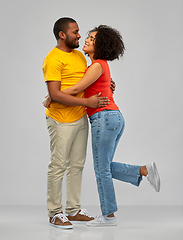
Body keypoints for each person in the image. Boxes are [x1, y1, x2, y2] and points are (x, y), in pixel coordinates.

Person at [60, 25, 161, 227]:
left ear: (102, 44)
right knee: (103, 167)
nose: (87, 40)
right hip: (111, 118)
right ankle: (143, 170)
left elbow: (78, 88)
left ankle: (108, 216)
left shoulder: (97, 65)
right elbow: (94, 87)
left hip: (103, 118)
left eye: (92, 38)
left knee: (101, 169)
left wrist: (53, 96)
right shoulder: (98, 66)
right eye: (87, 37)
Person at [42, 17, 110, 229]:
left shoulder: (80, 56)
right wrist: (86, 101)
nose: (80, 35)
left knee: (77, 165)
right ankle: (55, 213)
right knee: (58, 166)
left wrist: (108, 83)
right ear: (62, 35)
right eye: (76, 32)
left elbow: (86, 81)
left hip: (80, 117)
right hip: (61, 119)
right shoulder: (52, 59)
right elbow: (54, 94)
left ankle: (73, 210)